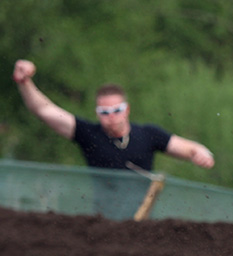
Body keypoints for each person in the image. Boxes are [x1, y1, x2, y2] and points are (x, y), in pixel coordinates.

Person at [13, 59, 215, 218]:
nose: (111, 116)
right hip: (104, 222)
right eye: (104, 111)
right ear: (97, 112)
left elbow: (188, 148)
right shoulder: (89, 134)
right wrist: (25, 82)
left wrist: (201, 153)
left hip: (142, 221)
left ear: (126, 109)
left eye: (116, 110)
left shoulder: (147, 134)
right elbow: (44, 109)